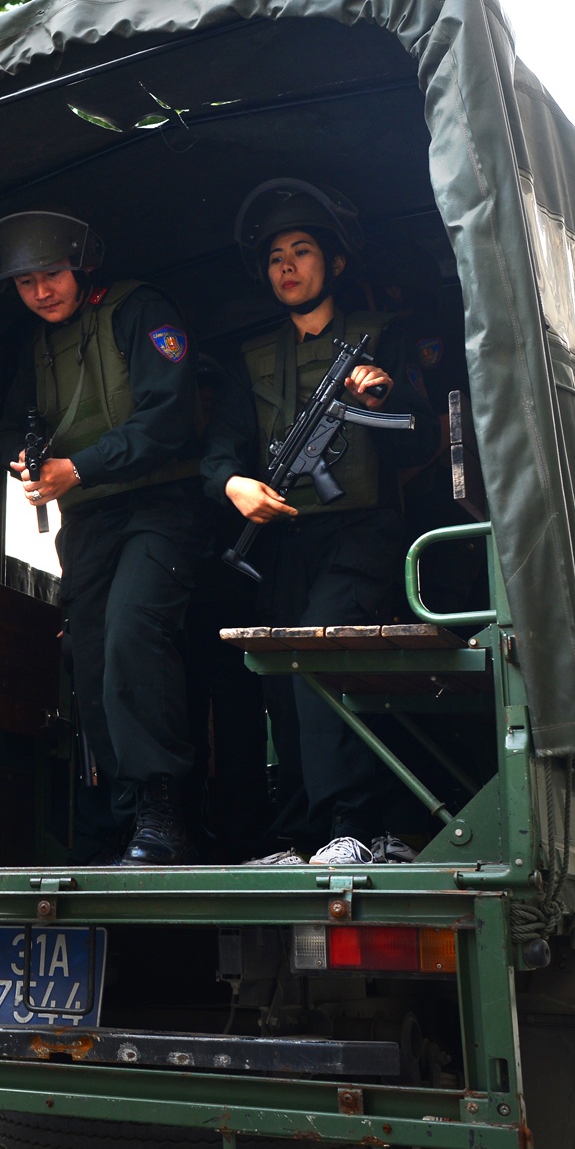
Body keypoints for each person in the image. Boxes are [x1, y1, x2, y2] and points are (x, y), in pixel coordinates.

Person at [0, 212, 233, 866]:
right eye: (25, 284)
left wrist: (80, 468)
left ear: (81, 266)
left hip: (161, 508)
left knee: (132, 636)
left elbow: (170, 416)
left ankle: (165, 812)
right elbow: (9, 424)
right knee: (92, 657)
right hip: (90, 523)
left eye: (50, 276)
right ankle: (124, 818)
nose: (40, 293)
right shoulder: (33, 348)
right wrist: (23, 458)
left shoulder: (139, 310)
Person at [220, 179, 439, 868]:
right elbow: (220, 449)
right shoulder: (252, 357)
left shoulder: (383, 337)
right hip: (284, 537)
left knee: (320, 653)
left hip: (362, 531)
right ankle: (299, 833)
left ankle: (353, 825)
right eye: (276, 255)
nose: (286, 265)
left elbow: (422, 437)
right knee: (280, 675)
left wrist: (386, 390)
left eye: (302, 250)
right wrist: (234, 485)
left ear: (334, 264)